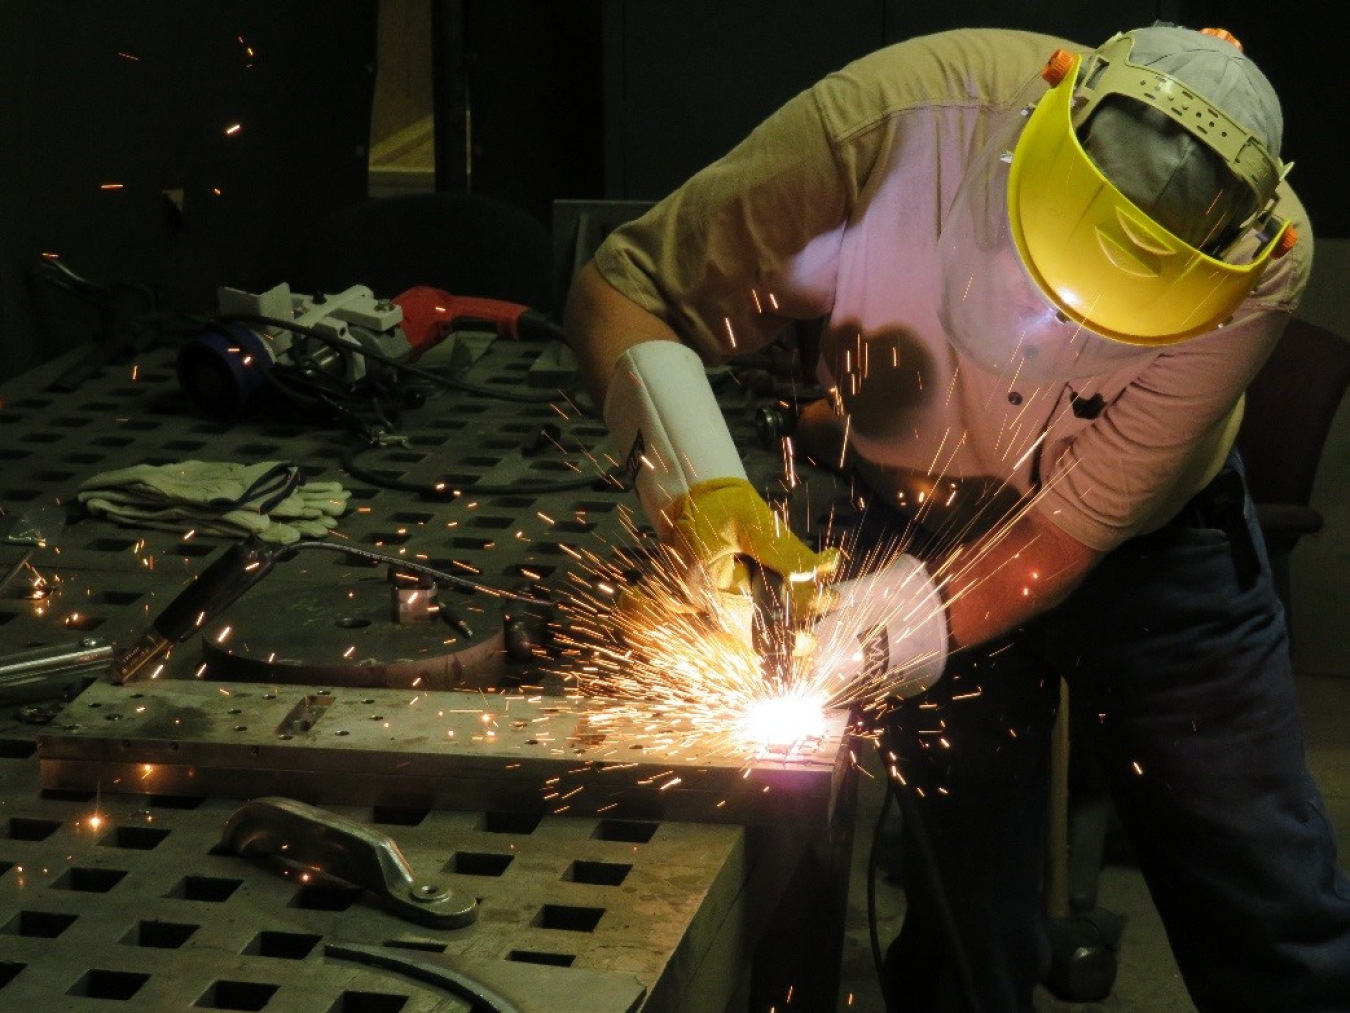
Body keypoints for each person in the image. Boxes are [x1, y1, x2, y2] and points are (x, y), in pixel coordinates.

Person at [564, 21, 1350, 1013]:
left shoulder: (1264, 259)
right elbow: (622, 292)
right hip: (915, 515)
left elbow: (1064, 535)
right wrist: (709, 502)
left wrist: (876, 634)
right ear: (1044, 122)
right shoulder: (888, 121)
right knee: (961, 910)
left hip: (1158, 555)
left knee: (1264, 894)